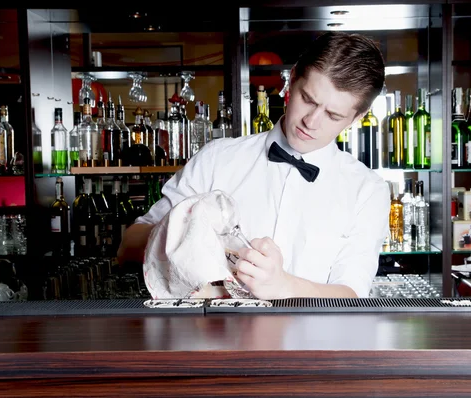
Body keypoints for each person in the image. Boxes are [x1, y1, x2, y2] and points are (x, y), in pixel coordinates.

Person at [118, 32, 390, 299]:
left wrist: (284, 286)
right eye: (308, 99)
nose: (312, 122)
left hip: (313, 342)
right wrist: (184, 228)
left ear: (357, 117)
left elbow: (352, 293)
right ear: (292, 80)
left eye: (333, 115)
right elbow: (128, 247)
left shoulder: (367, 190)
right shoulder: (217, 159)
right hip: (213, 339)